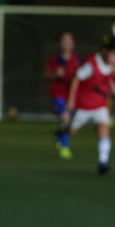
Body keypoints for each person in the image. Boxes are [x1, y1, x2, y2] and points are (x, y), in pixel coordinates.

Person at [62, 36, 115, 175]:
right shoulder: (91, 65)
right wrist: (70, 101)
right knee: (72, 131)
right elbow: (76, 78)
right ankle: (63, 130)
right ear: (105, 51)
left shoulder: (112, 64)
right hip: (84, 106)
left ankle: (103, 162)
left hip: (100, 105)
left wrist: (113, 86)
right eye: (114, 54)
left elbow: (108, 76)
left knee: (104, 130)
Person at [43, 31, 80, 159]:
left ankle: (59, 133)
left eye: (69, 40)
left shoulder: (77, 59)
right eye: (64, 41)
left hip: (72, 95)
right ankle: (65, 147)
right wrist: (55, 73)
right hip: (58, 95)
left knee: (70, 122)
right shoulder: (54, 59)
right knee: (65, 118)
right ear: (59, 44)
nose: (67, 43)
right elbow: (46, 74)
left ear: (73, 43)